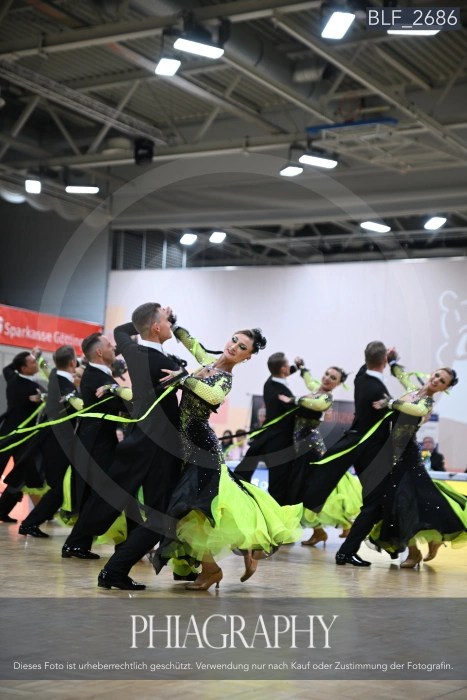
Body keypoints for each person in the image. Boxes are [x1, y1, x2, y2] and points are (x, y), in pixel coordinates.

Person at [151, 324, 303, 591]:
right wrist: (172, 324)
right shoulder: (208, 363)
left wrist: (183, 378)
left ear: (247, 357)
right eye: (234, 340)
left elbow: (211, 394)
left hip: (202, 449)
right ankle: (243, 552)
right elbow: (192, 343)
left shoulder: (225, 379)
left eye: (242, 347)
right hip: (186, 449)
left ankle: (212, 570)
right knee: (204, 510)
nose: (234, 347)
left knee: (193, 512)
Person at [65, 303, 184, 578]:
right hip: (159, 444)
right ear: (156, 327)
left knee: (116, 495)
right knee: (159, 512)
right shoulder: (165, 365)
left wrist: (145, 321)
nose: (171, 324)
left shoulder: (133, 351)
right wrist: (186, 375)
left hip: (139, 437)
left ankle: (87, 547)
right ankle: (117, 567)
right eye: (167, 321)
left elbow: (121, 329)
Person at [301, 341, 397, 566]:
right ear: (384, 360)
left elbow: (367, 367)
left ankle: (354, 548)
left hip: (359, 447)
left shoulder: (360, 379)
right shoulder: (377, 390)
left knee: (375, 504)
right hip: (372, 453)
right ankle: (348, 551)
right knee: (374, 505)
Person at [369, 365, 465, 568]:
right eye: (437, 375)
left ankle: (415, 553)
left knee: (403, 502)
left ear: (444, 388)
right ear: (432, 374)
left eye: (442, 381)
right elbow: (401, 375)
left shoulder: (427, 403)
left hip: (408, 456)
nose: (437, 380)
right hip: (392, 456)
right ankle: (432, 539)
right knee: (412, 501)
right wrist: (393, 363)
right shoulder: (413, 390)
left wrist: (391, 402)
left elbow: (417, 410)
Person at [278, 364, 361, 546]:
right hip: (301, 447)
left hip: (310, 449)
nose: (327, 378)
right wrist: (303, 368)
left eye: (333, 378)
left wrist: (293, 399)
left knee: (311, 489)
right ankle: (320, 531)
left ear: (337, 384)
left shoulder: (326, 398)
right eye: (327, 374)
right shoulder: (317, 389)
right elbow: (309, 380)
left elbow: (315, 404)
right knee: (304, 490)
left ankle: (343, 523)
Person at [15, 346, 79, 537]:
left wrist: (39, 358)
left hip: (54, 442)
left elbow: (46, 368)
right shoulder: (65, 386)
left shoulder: (55, 377)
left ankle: (31, 523)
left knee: (61, 487)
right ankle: (29, 523)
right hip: (57, 444)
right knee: (60, 488)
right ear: (72, 363)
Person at [234, 353, 302, 505]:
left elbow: (284, 372)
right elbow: (298, 409)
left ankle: (239, 497)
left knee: (245, 470)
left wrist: (296, 367)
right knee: (279, 484)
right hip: (279, 442)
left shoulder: (270, 383)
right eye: (288, 365)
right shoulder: (281, 393)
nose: (289, 368)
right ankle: (276, 512)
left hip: (267, 436)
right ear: (283, 369)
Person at [0, 350, 47, 525]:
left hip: (19, 436)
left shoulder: (12, 377)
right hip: (16, 436)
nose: (36, 363)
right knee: (16, 473)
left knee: (21, 474)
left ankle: (2, 510)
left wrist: (31, 355)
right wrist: (38, 398)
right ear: (23, 368)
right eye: (32, 362)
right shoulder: (27, 386)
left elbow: (7, 368)